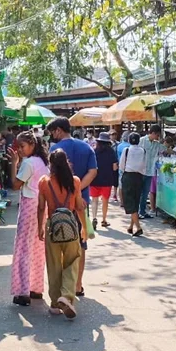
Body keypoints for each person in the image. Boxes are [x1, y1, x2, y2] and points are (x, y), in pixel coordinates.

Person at [47, 118, 98, 296]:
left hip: (59, 205)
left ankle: (63, 287)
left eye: (53, 132)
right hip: (81, 202)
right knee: (80, 244)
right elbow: (93, 171)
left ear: (59, 130)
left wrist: (70, 189)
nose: (53, 136)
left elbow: (52, 177)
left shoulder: (55, 150)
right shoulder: (86, 148)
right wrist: (79, 189)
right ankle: (77, 284)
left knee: (60, 242)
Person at [37, 150, 87, 319]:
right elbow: (79, 206)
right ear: (66, 162)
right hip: (71, 226)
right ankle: (66, 296)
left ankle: (54, 303)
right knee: (72, 261)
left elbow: (41, 207)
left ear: (50, 164)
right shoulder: (75, 181)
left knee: (53, 265)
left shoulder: (44, 182)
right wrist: (84, 228)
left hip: (53, 227)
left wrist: (40, 227)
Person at [8, 132, 50, 306]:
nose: (21, 150)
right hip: (41, 204)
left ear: (32, 144)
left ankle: (22, 291)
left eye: (23, 147)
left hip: (29, 204)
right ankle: (35, 288)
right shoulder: (42, 162)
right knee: (37, 247)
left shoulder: (28, 163)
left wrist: (14, 164)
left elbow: (16, 184)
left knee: (24, 247)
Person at [119, 133, 147, 236]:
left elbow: (121, 165)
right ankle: (131, 226)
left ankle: (138, 227)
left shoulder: (126, 150)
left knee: (130, 203)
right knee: (135, 201)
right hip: (139, 177)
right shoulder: (143, 151)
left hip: (128, 177)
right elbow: (144, 165)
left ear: (129, 140)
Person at [90, 132, 119, 228]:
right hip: (107, 179)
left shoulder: (94, 151)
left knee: (94, 200)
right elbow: (115, 167)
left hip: (94, 179)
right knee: (105, 200)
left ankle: (94, 217)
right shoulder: (111, 152)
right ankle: (103, 220)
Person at [139, 124, 165, 218]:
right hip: (140, 171)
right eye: (157, 135)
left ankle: (142, 211)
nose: (158, 137)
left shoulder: (156, 144)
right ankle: (138, 211)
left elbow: (165, 149)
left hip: (150, 172)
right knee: (139, 192)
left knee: (146, 193)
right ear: (153, 133)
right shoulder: (141, 141)